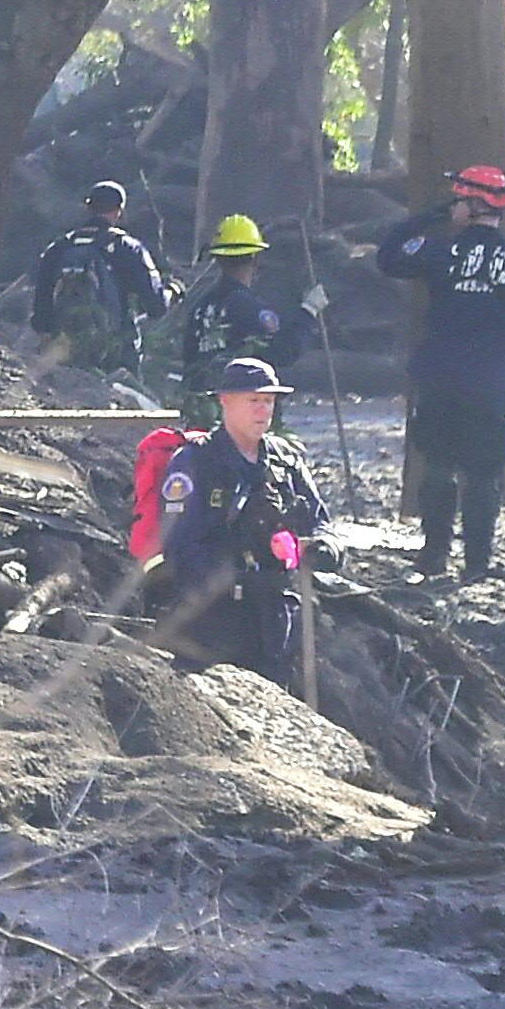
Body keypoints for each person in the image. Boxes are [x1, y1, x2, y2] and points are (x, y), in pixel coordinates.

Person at [376, 162, 505, 583]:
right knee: (484, 475)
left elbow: (389, 255)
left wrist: (430, 218)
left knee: (439, 467)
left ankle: (433, 556)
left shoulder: (440, 250)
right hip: (491, 384)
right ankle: (478, 563)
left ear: (470, 203)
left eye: (459, 198)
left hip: (439, 379)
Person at [153, 358, 330, 691]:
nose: (263, 411)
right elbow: (180, 550)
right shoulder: (195, 462)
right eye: (254, 401)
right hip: (214, 629)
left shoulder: (285, 461)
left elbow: (322, 524)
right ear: (225, 401)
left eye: (269, 401)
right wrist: (241, 578)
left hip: (277, 626)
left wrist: (320, 548)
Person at [160, 215, 318, 428]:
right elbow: (284, 351)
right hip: (242, 417)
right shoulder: (249, 307)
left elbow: (189, 358)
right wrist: (309, 312)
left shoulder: (201, 307)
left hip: (200, 413)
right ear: (255, 259)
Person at [30, 182, 170, 382]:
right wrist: (173, 290)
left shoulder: (59, 248)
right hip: (115, 361)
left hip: (61, 359)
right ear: (119, 211)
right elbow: (157, 307)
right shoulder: (128, 248)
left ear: (88, 208)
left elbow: (41, 315)